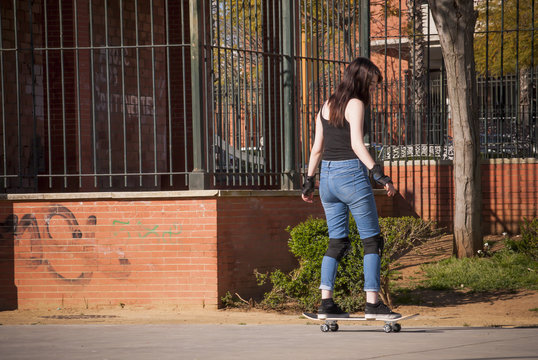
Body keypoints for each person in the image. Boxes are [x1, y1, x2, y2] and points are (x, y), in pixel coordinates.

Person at [301, 57, 401, 321]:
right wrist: (380, 176)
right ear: (362, 80)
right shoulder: (355, 104)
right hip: (350, 176)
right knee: (372, 241)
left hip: (327, 179)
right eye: (372, 84)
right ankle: (372, 304)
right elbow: (357, 145)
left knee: (338, 241)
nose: (374, 89)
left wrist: (309, 181)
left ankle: (327, 304)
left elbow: (316, 149)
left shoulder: (326, 105)